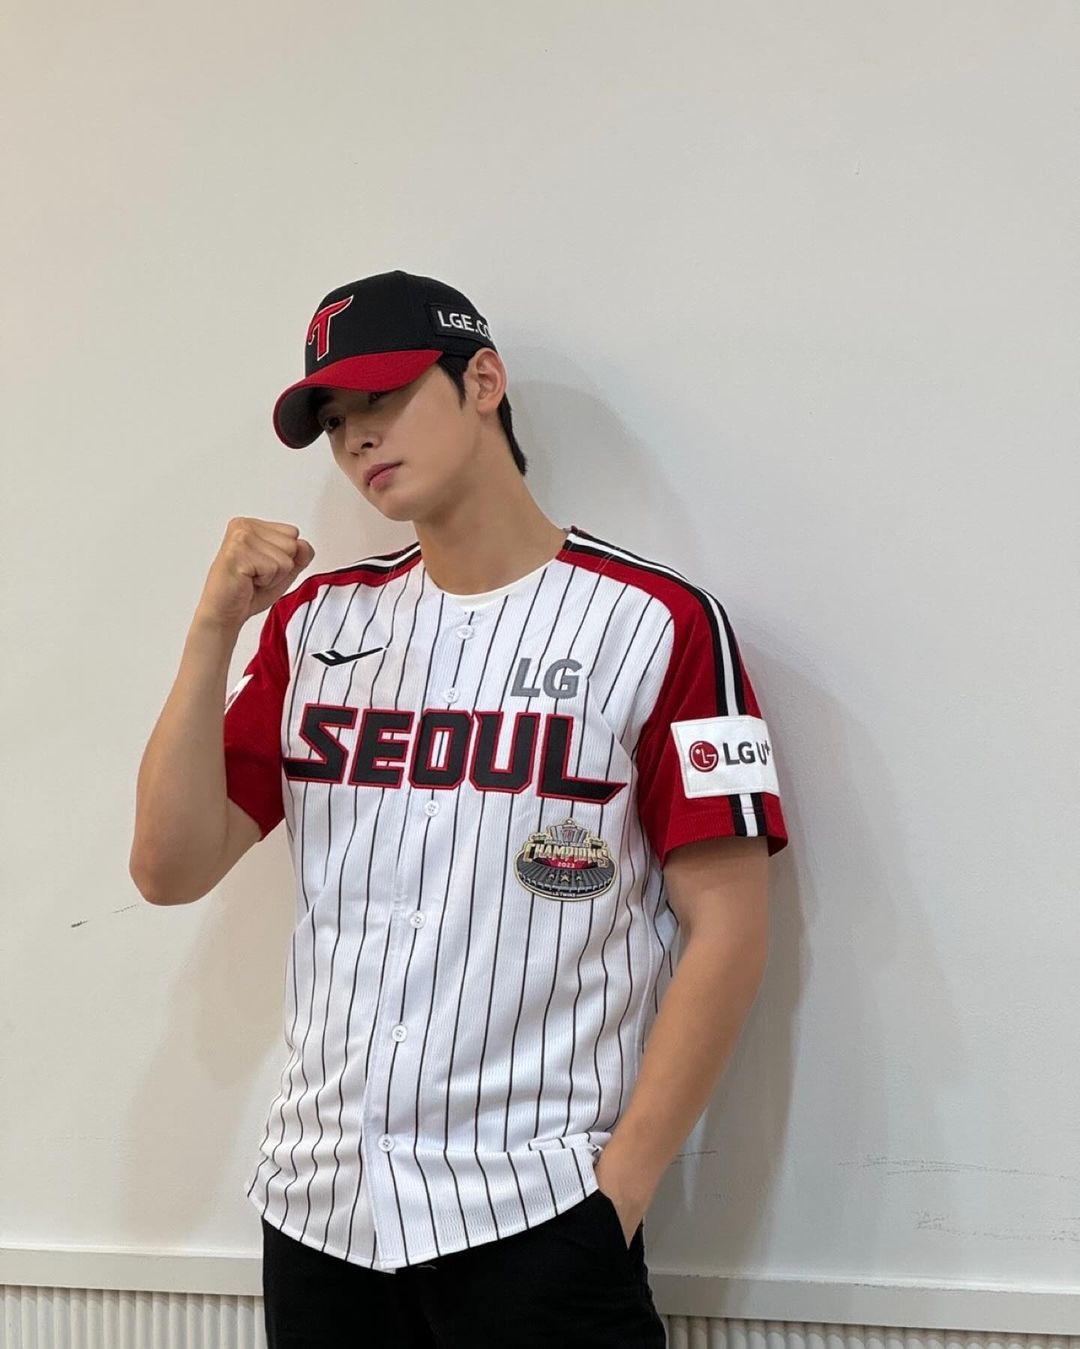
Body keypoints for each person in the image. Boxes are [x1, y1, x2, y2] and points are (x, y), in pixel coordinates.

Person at [130, 268, 790, 1347]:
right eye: (336, 419)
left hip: (535, 1210)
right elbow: (168, 867)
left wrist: (613, 1196)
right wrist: (213, 633)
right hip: (321, 1207)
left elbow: (731, 926)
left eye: (384, 397)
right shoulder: (317, 625)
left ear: (482, 380)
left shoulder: (657, 622)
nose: (357, 439)